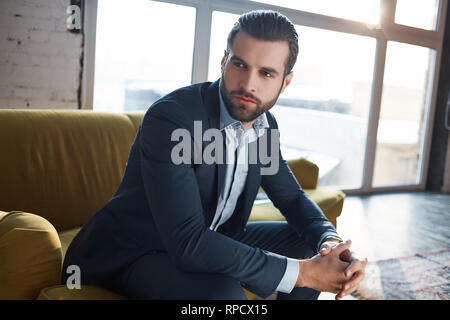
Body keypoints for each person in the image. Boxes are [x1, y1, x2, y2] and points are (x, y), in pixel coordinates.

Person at [62, 9, 367, 300]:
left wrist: (331, 244)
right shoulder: (172, 120)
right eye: (240, 65)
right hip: (137, 250)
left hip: (211, 238)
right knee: (222, 295)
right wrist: (303, 274)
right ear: (223, 61)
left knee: (308, 245)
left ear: (285, 82)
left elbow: (290, 198)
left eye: (266, 73)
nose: (249, 84)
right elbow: (187, 241)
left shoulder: (263, 125)